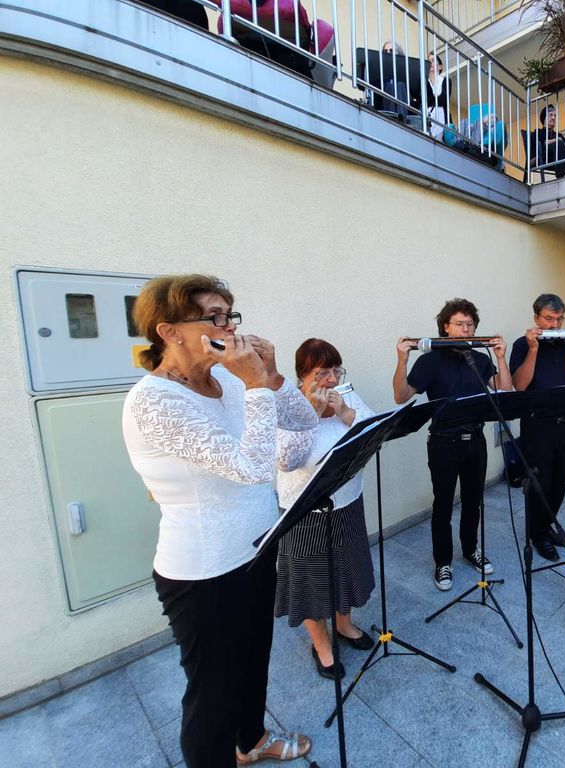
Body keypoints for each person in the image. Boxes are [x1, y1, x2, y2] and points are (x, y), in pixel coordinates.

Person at [122, 274, 317, 767]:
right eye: (213, 317)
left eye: (230, 315)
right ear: (169, 331)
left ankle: (251, 741)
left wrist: (271, 375)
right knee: (212, 693)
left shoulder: (228, 379)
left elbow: (303, 420)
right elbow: (252, 468)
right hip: (204, 571)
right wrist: (255, 386)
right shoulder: (154, 401)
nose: (229, 327)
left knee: (253, 662)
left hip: (256, 548)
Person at [393, 298, 512, 590]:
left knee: (473, 500)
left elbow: (505, 391)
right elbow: (401, 396)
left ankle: (470, 549)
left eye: (470, 324)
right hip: (443, 443)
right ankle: (443, 561)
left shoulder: (478, 359)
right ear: (446, 327)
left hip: (476, 441)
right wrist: (402, 360)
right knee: (443, 503)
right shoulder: (430, 361)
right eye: (459, 324)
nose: (465, 329)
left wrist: (500, 357)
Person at [275, 339, 376, 680]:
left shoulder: (346, 395)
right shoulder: (287, 406)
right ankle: (321, 645)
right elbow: (286, 461)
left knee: (346, 571)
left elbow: (373, 429)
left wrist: (347, 413)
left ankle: (344, 625)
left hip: (348, 502)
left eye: (336, 370)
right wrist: (312, 415)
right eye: (322, 373)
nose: (332, 380)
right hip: (306, 512)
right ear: (303, 375)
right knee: (312, 582)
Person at [509, 294, 565, 561]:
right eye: (548, 319)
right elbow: (519, 385)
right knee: (539, 483)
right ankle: (537, 534)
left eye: (559, 319)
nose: (555, 325)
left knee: (559, 482)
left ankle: (545, 525)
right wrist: (533, 350)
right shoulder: (522, 344)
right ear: (536, 318)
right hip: (537, 425)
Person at [532, 105, 565, 178]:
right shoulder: (538, 132)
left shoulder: (558, 135)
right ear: (544, 118)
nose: (553, 117)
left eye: (555, 116)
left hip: (560, 157)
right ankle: (560, 177)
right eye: (550, 115)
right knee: (558, 144)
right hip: (545, 158)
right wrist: (557, 140)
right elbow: (545, 142)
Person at [425, 51, 451, 139]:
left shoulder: (445, 81)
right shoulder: (425, 82)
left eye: (433, 60)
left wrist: (430, 99)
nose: (430, 63)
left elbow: (443, 100)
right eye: (428, 61)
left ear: (440, 67)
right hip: (428, 119)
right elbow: (423, 101)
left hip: (441, 119)